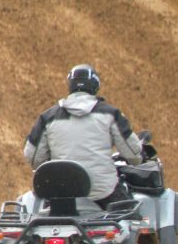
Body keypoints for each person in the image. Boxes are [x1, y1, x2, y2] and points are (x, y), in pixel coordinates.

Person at [24, 64, 143, 208]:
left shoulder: (48, 117)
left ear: (70, 86)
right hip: (103, 193)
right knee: (133, 220)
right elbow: (133, 155)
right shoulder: (111, 114)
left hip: (61, 194)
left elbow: (32, 157)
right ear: (95, 86)